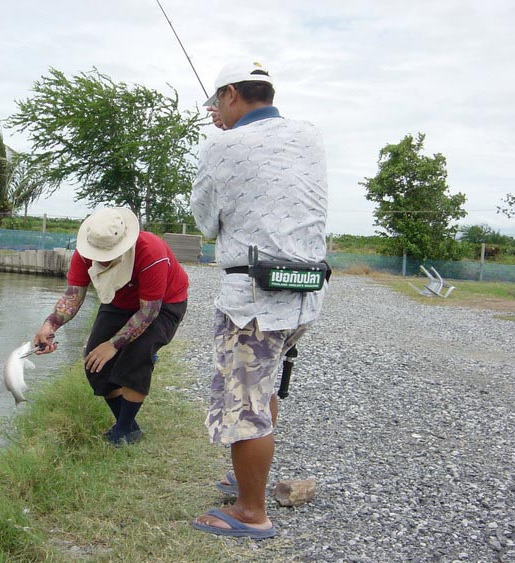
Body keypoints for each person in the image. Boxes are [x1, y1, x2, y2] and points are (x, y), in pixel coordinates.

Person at [190, 60, 328, 538]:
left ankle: (251, 512)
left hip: (254, 296)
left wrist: (223, 138)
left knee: (244, 402)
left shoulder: (221, 147)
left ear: (231, 94)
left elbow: (206, 223)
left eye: (215, 105)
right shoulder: (309, 136)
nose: (214, 115)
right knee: (263, 384)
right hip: (307, 291)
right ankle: (244, 476)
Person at [33, 207, 189, 445]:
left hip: (163, 304)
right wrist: (50, 324)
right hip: (118, 301)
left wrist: (113, 345)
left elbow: (149, 312)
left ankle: (123, 431)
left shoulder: (151, 251)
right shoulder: (84, 253)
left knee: (135, 357)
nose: (102, 259)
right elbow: (73, 296)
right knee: (95, 364)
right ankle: (128, 425)